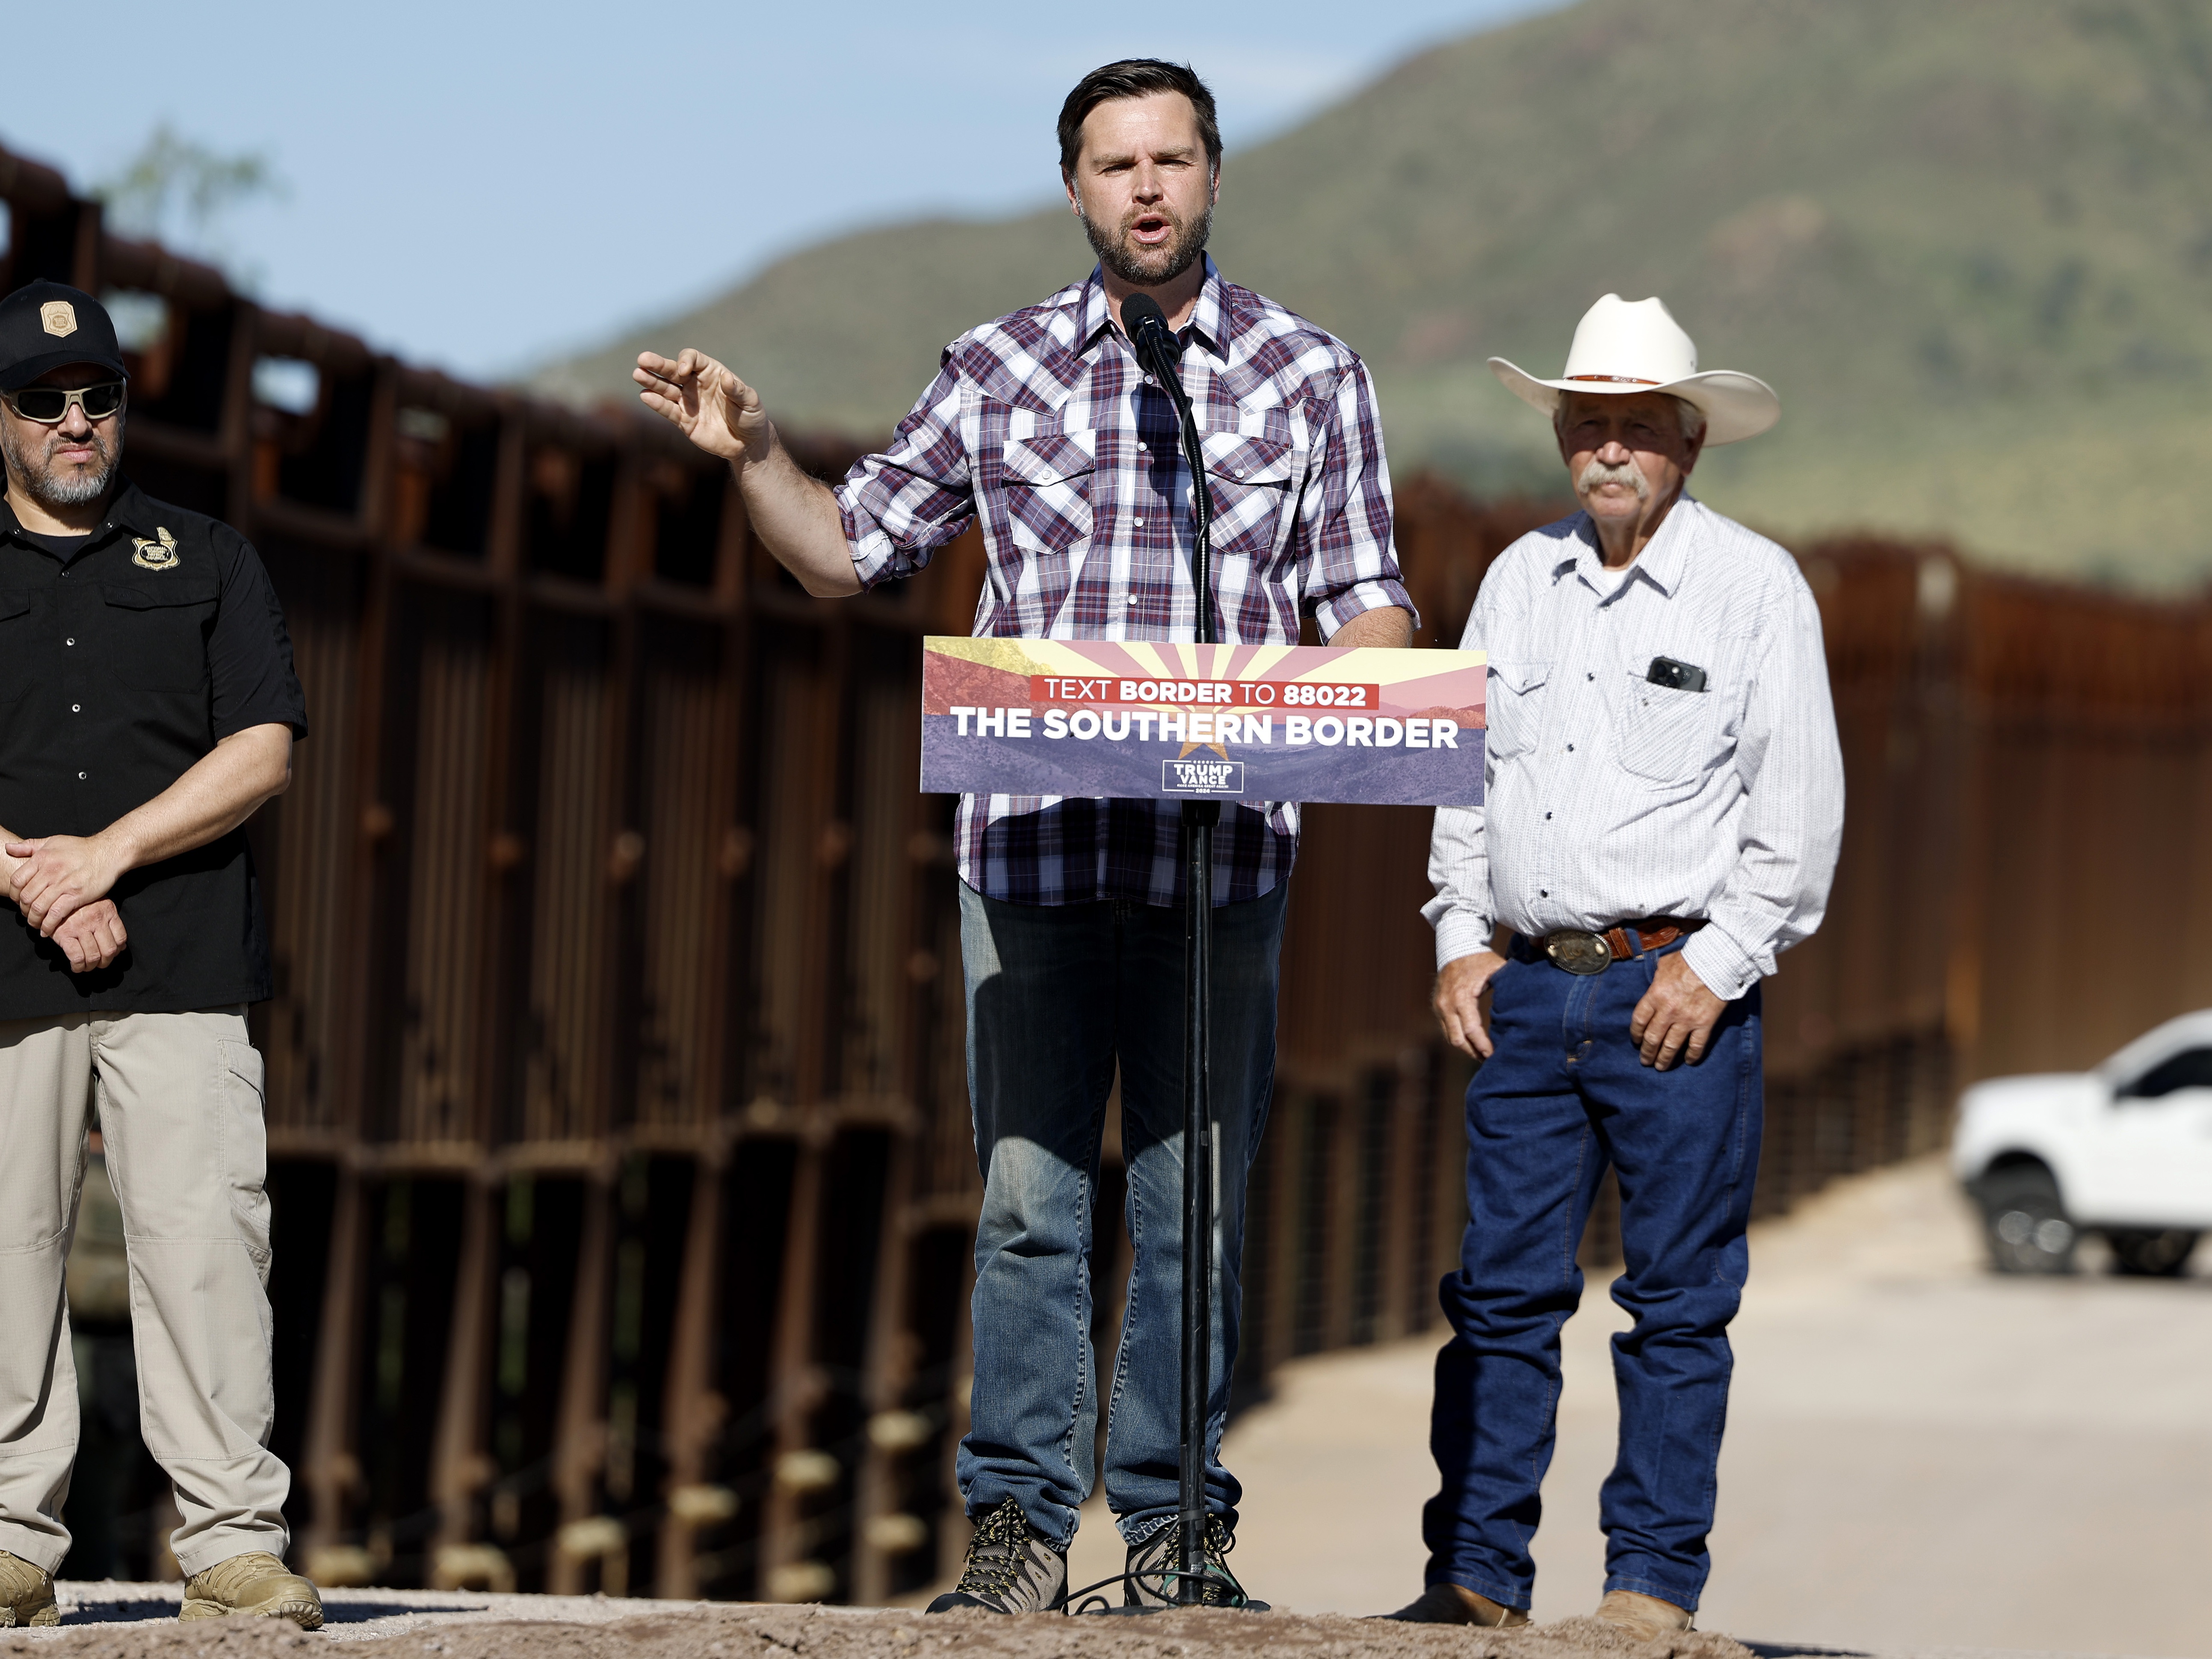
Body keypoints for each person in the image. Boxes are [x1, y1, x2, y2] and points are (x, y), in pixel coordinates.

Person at [636, 60, 1414, 1613]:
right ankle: (1014, 1533)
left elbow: (1368, 605)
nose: (1145, 189)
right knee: (1031, 1204)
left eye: (1172, 159)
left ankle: (1179, 1537)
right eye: (1114, 164)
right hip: (1038, 863)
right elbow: (848, 551)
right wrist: (756, 457)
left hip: (1220, 867)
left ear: (1212, 176)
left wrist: (1363, 694)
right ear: (1072, 187)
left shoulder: (1308, 374)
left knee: (1196, 1204)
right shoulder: (996, 369)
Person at [1394, 295, 1843, 1634]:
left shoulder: (1753, 587)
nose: (1605, 452)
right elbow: (1464, 776)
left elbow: (1796, 812)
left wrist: (1717, 964)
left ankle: (1646, 1589)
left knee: (1677, 1306)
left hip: (1674, 997)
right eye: (1584, 426)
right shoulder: (1513, 581)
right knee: (1497, 1299)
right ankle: (1473, 1578)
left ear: (1687, 443)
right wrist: (1457, 937)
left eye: (1634, 430)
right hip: (1528, 993)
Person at [0, 281, 320, 1628]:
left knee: (202, 1241)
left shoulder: (207, 558)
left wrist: (104, 858)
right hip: (4, 972)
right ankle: (12, 1542)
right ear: (2, 418)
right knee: (3, 1247)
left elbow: (263, 748)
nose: (77, 423)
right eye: (44, 401)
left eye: (99, 398)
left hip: (180, 960)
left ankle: (234, 1542)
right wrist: (33, 876)